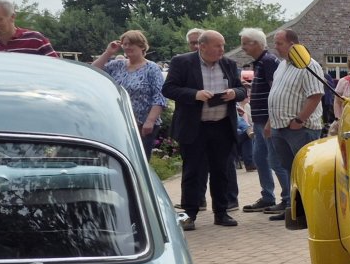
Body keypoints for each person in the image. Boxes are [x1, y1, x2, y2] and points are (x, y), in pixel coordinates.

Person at [162, 30, 246, 231]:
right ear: (202, 46)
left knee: (221, 171)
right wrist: (195, 94)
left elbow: (242, 89)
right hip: (195, 127)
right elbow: (168, 89)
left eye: (223, 46)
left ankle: (221, 212)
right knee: (192, 172)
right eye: (218, 46)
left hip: (221, 126)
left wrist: (234, 93)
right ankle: (189, 215)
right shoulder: (182, 62)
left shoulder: (228, 64)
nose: (222, 50)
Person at [264, 28, 324, 220]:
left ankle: (309, 211)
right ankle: (293, 208)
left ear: (292, 45)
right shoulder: (281, 66)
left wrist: (299, 120)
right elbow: (275, 95)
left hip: (300, 129)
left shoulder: (308, 65)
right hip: (279, 127)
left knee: (304, 171)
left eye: (279, 43)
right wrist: (269, 123)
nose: (276, 48)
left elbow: (315, 95)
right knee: (289, 170)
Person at [92, 29, 166, 157]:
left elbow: (159, 97)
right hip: (120, 122)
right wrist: (108, 52)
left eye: (131, 44)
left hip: (143, 125)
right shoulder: (117, 65)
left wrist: (150, 121)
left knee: (139, 159)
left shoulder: (152, 68)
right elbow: (92, 70)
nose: (127, 47)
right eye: (124, 44)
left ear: (142, 46)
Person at [239, 27, 282, 214]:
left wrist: (271, 121)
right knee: (260, 158)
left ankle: (287, 199)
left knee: (274, 160)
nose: (242, 48)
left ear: (255, 43)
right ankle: (268, 196)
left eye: (244, 44)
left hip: (266, 120)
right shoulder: (260, 63)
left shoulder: (268, 62)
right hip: (259, 120)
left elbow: (276, 91)